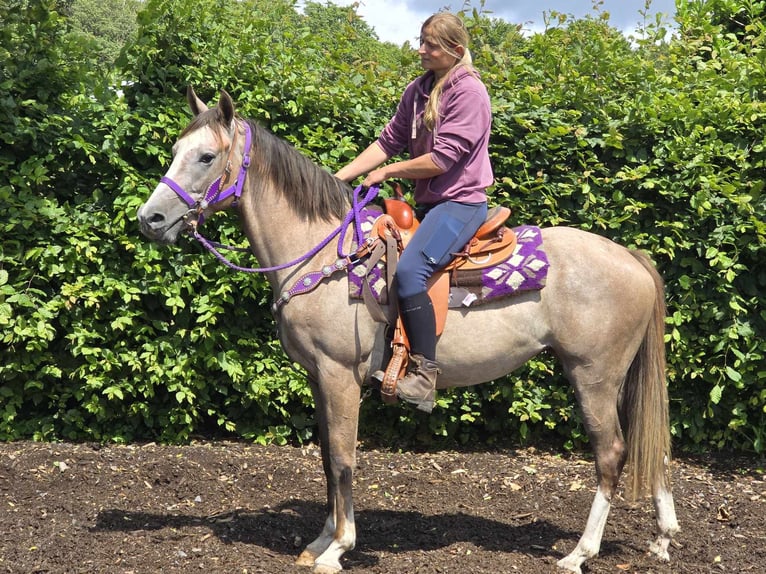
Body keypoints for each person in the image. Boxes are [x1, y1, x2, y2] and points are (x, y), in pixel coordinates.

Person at [335, 12, 493, 413]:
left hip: (461, 204)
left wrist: (387, 172)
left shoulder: (469, 92)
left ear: (455, 50)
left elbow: (442, 159)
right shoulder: (419, 89)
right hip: (430, 204)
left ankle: (424, 377)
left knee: (410, 272)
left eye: (431, 44)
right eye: (421, 41)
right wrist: (336, 179)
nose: (421, 50)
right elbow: (386, 142)